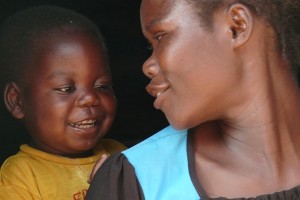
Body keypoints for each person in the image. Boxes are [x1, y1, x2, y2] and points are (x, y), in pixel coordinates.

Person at [86, 0, 300, 199]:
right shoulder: (132, 182)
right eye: (150, 46)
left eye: (160, 37)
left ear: (237, 26)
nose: (147, 66)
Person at [0, 5, 126, 200]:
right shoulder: (20, 178)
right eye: (66, 89)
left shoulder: (119, 154)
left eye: (102, 86)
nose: (90, 98)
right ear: (17, 101)